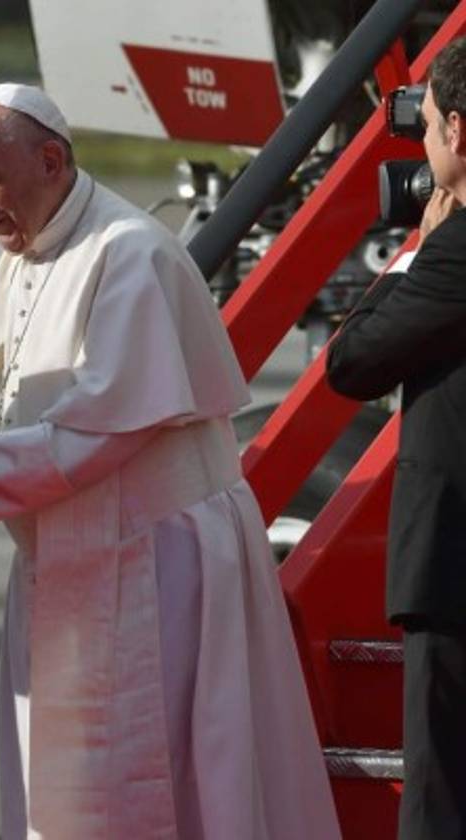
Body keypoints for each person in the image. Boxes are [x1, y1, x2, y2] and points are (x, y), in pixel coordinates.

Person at [0, 83, 341, 839]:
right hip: (64, 562)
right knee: (69, 782)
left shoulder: (131, 253)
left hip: (162, 561)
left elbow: (96, 434)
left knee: (184, 782)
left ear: (51, 160)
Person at [326, 37, 466, 840]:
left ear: (458, 128)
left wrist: (415, 249)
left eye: (428, 131)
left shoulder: (455, 253)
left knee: (441, 800)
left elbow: (352, 362)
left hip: (456, 572)